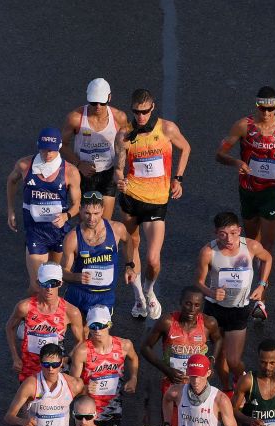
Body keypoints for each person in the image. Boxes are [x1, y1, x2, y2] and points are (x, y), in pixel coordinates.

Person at [216, 87, 275, 320]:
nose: (267, 113)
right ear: (257, 106)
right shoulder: (244, 126)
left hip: (272, 191)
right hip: (249, 190)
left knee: (266, 249)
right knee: (251, 243)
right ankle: (244, 287)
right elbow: (219, 154)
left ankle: (260, 299)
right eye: (263, 108)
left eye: (271, 109)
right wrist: (236, 162)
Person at [114, 88, 192, 320]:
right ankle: (138, 297)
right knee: (132, 246)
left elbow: (185, 148)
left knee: (153, 259)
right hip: (130, 198)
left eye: (145, 112)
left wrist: (178, 178)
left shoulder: (166, 129)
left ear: (152, 108)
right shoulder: (124, 135)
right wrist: (120, 181)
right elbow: (119, 168)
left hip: (156, 202)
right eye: (136, 112)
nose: (141, 117)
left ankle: (149, 291)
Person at [195, 211, 273, 392]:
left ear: (239, 230)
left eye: (233, 233)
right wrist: (211, 292)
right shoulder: (208, 252)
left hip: (239, 310)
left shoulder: (251, 246)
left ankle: (245, 381)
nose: (229, 239)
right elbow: (198, 282)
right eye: (223, 234)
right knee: (219, 358)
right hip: (214, 309)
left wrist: (261, 285)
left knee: (233, 360)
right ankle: (227, 389)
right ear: (216, 233)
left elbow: (267, 259)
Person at [6, 128, 82, 290]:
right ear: (38, 146)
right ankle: (27, 315)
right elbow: (11, 181)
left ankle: (49, 315)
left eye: (52, 150)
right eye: (44, 149)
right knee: (37, 285)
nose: (48, 153)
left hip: (59, 232)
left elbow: (77, 205)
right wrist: (10, 209)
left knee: (54, 286)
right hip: (35, 232)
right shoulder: (24, 165)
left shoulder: (70, 171)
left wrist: (66, 216)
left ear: (59, 147)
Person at [4, 343, 84, 426]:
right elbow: (9, 417)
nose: (51, 369)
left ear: (61, 362)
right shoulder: (30, 385)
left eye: (55, 365)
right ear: (40, 363)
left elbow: (85, 399)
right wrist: (22, 422)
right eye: (46, 364)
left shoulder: (74, 385)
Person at [60, 78, 130, 220]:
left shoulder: (119, 118)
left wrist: (119, 170)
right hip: (85, 174)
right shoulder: (75, 118)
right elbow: (61, 145)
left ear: (109, 97)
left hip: (108, 173)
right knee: (87, 223)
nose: (97, 106)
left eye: (102, 102)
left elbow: (125, 146)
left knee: (104, 222)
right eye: (93, 102)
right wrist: (79, 164)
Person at [4, 263, 84, 382]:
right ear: (38, 282)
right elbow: (9, 328)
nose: (49, 288)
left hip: (55, 370)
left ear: (61, 283)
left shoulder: (71, 311)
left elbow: (81, 341)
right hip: (29, 368)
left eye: (54, 283)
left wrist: (67, 359)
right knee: (29, 399)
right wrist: (15, 357)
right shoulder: (24, 307)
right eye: (45, 283)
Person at [140, 286, 222, 399]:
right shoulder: (167, 322)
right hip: (172, 381)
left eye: (197, 305)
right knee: (170, 416)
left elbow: (218, 340)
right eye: (188, 303)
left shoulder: (209, 323)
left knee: (195, 415)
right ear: (180, 302)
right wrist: (166, 369)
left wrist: (211, 362)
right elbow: (145, 347)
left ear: (201, 306)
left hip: (198, 383)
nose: (192, 309)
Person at [60, 191, 133, 316]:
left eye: (96, 213)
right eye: (87, 213)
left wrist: (129, 265)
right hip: (80, 293)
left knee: (99, 333)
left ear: (103, 210)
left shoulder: (117, 229)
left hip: (104, 296)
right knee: (81, 334)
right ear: (80, 210)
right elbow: (63, 271)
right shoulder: (72, 238)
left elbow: (129, 241)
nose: (92, 218)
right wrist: (76, 277)